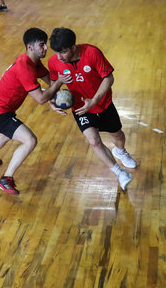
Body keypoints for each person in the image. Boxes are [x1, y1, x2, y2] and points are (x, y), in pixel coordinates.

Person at [0, 28, 69, 195]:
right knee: (30, 140)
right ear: (30, 47)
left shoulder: (33, 62)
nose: (45, 48)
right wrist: (57, 87)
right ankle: (6, 179)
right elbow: (41, 97)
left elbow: (49, 81)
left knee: (7, 133)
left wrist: (54, 100)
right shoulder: (24, 67)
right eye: (41, 45)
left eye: (45, 44)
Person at [47, 27, 135, 191]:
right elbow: (53, 84)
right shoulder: (54, 62)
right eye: (57, 52)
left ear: (73, 47)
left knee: (117, 135)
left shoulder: (92, 53)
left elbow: (108, 77)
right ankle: (119, 172)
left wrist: (94, 100)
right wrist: (52, 100)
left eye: (63, 52)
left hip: (103, 103)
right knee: (94, 141)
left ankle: (121, 151)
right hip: (81, 108)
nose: (59, 57)